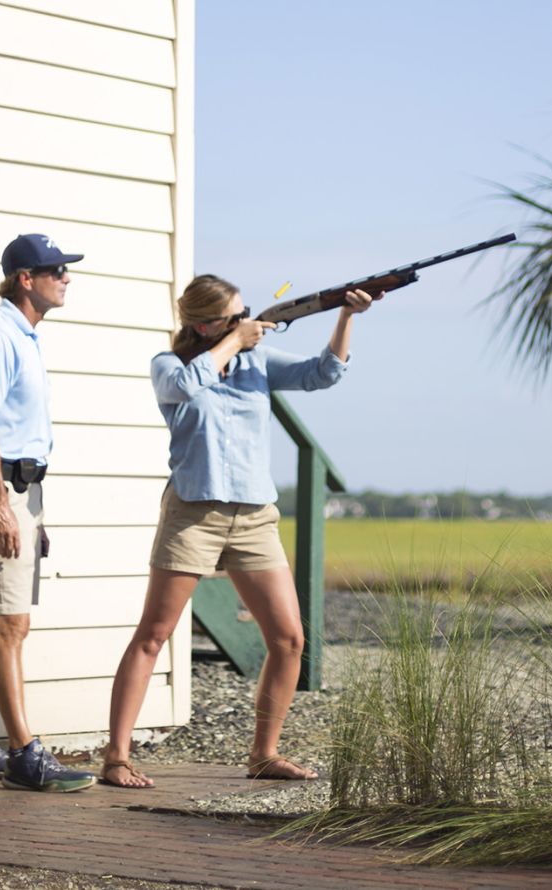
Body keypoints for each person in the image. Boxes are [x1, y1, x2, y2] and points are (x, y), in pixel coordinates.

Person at [99, 274, 379, 788]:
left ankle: (264, 754)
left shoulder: (258, 363)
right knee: (154, 636)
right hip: (194, 514)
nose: (250, 320)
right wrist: (235, 339)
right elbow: (183, 388)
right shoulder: (171, 365)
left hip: (254, 517)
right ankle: (117, 757)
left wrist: (346, 316)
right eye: (236, 315)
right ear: (205, 325)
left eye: (249, 312)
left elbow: (324, 374)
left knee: (289, 639)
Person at [0, 234, 96, 792]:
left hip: (17, 489)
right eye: (56, 269)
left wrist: (30, 507)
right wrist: (2, 507)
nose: (66, 277)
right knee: (11, 624)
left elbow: (9, 428)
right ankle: (25, 755)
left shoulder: (22, 336)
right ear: (24, 278)